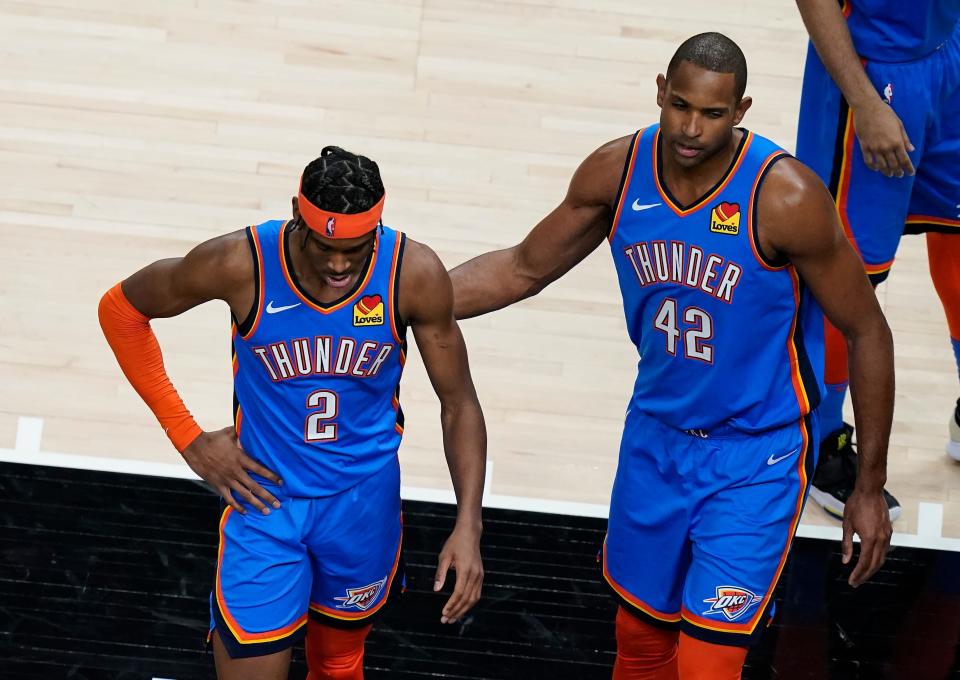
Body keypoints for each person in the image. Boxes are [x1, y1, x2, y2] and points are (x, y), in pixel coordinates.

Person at [449, 33, 893, 678]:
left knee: (706, 667)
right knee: (641, 648)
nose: (691, 127)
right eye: (679, 105)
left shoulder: (785, 196)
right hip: (653, 444)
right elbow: (520, 269)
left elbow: (868, 330)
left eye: (712, 114)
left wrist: (869, 485)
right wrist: (406, 299)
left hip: (755, 458)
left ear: (741, 110)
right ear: (660, 90)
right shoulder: (617, 171)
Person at [98, 146, 486, 680]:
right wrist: (187, 438)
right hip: (264, 500)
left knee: (339, 664)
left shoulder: (411, 273)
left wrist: (469, 524)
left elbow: (459, 401)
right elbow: (121, 311)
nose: (338, 264)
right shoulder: (240, 263)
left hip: (362, 504)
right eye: (324, 245)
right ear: (296, 215)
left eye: (355, 248)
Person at [795, 0, 960, 522]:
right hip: (871, 77)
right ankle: (823, 446)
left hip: (950, 55)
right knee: (848, 277)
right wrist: (865, 103)